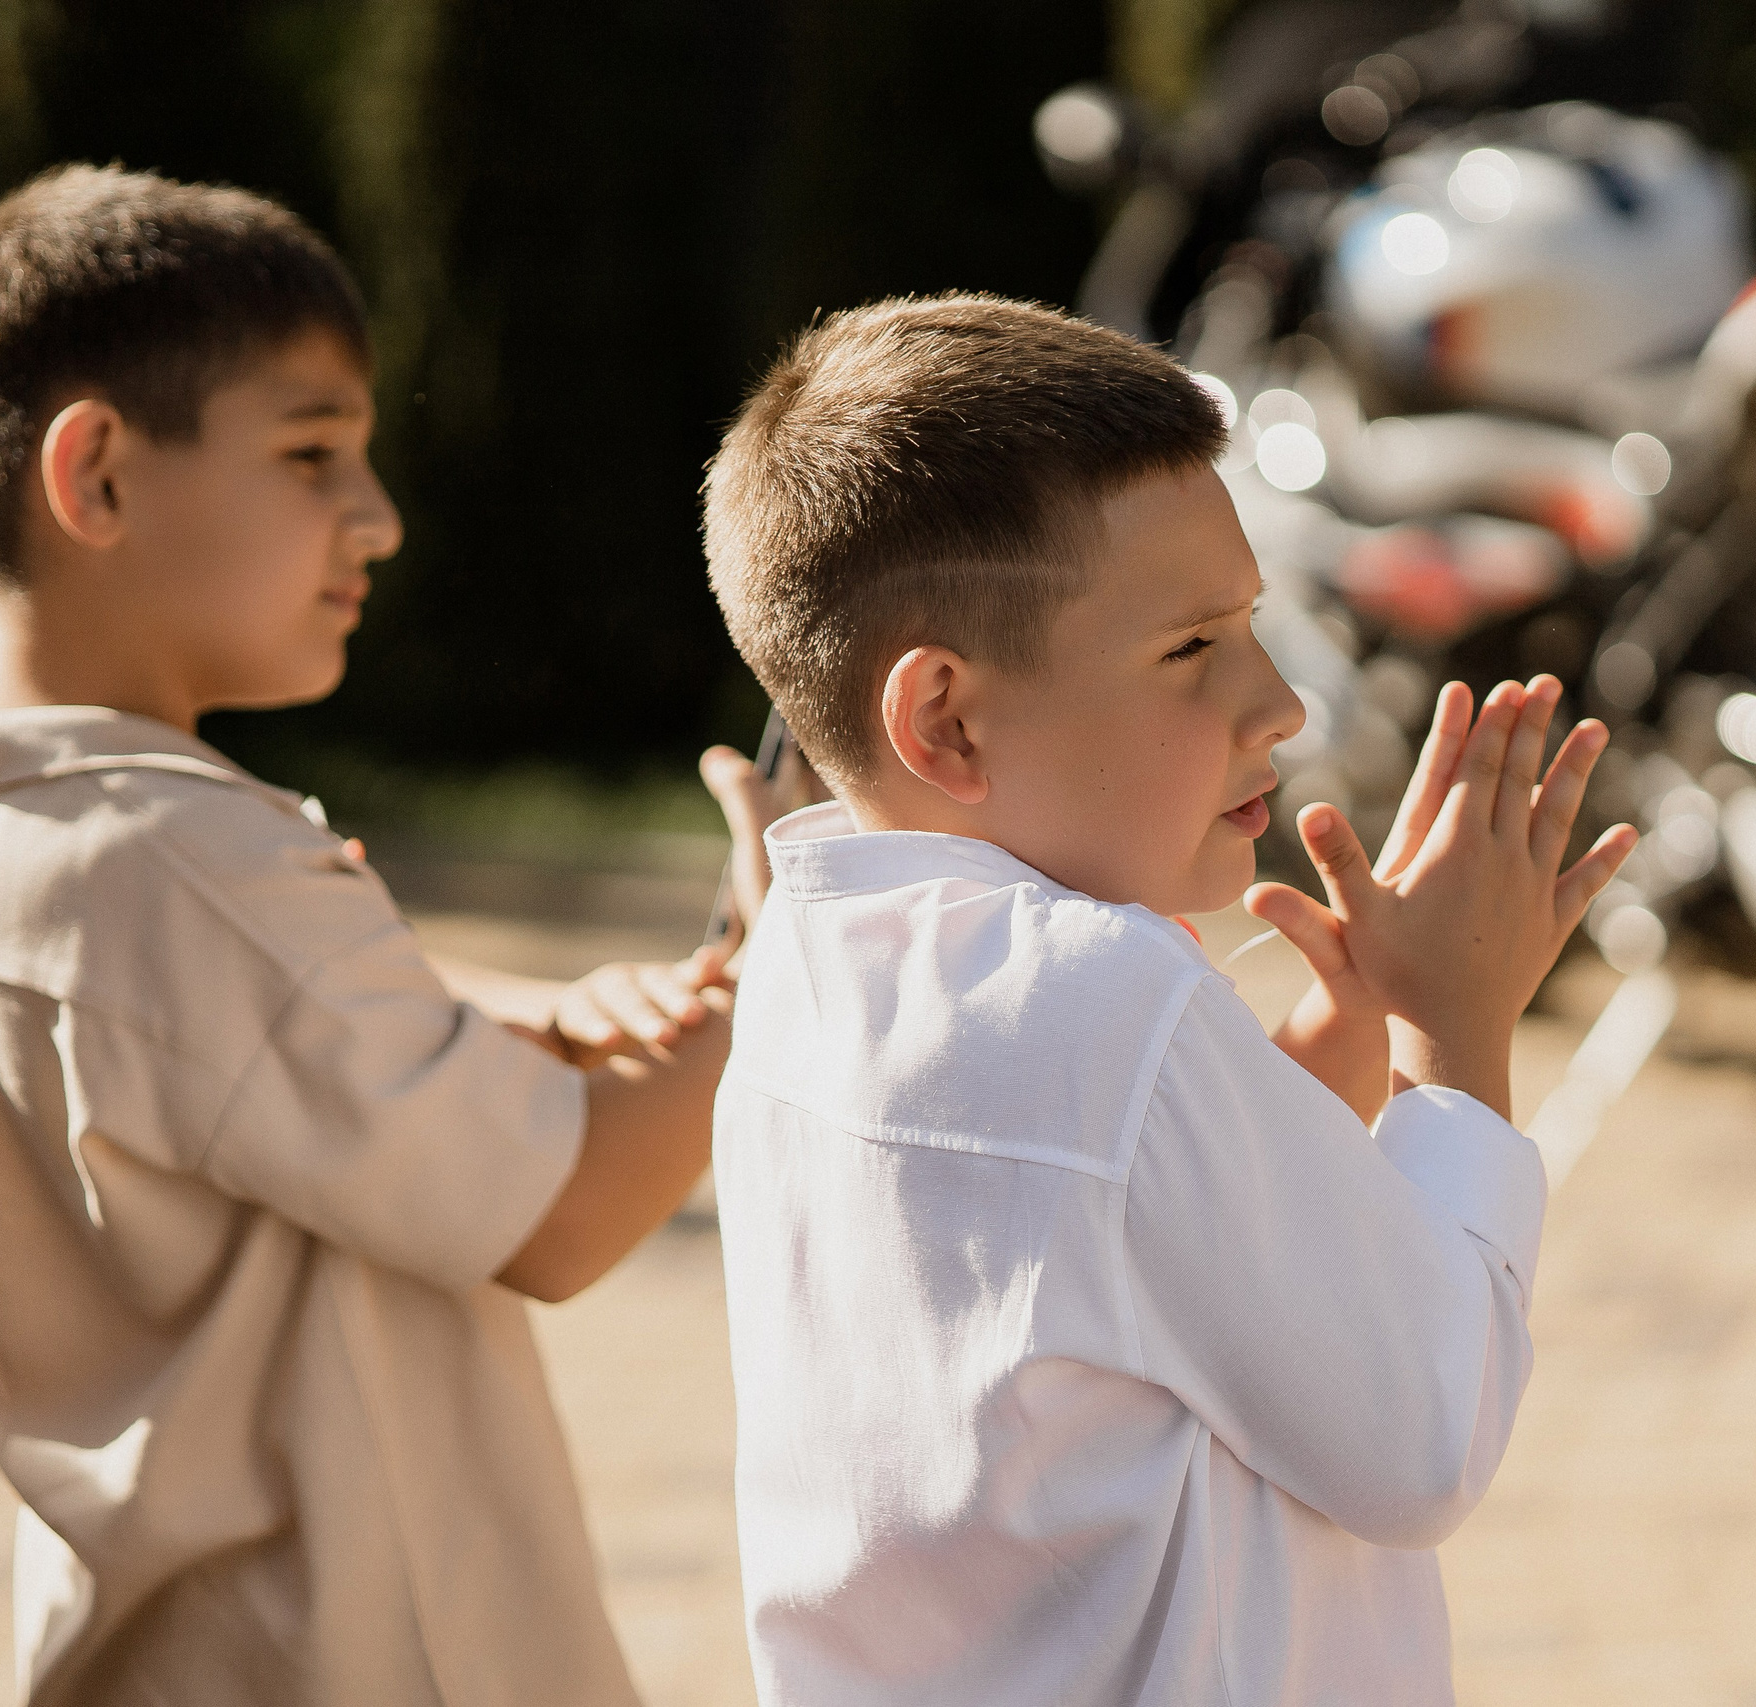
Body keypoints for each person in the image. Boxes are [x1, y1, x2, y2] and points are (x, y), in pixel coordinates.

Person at [701, 293, 1639, 1704]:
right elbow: (1420, 1437)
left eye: (1252, 625)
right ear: (947, 720)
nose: (1278, 705)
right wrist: (1457, 1037)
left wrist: (1287, 1106)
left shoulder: (811, 952)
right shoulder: (1106, 998)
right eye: (1193, 648)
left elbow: (1075, 1276)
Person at [0, 163, 737, 1705]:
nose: (379, 518)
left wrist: (545, 1017)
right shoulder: (180, 862)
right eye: (312, 452)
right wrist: (781, 958)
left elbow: (230, 1053)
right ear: (99, 478)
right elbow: (566, 1214)